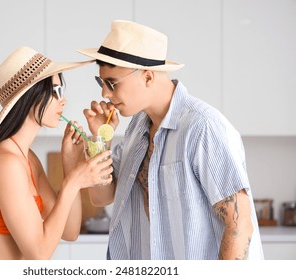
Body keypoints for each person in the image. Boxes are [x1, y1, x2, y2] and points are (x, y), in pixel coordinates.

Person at [78, 20, 264, 260]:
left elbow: (239, 225)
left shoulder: (202, 127)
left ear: (147, 77)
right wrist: (99, 140)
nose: (104, 93)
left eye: (112, 83)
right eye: (101, 83)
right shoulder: (137, 127)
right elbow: (101, 197)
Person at [0, 46, 113, 260]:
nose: (63, 100)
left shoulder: (27, 159)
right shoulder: (4, 164)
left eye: (61, 91)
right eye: (55, 92)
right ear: (30, 97)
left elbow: (70, 231)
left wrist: (70, 165)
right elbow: (39, 254)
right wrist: (73, 182)